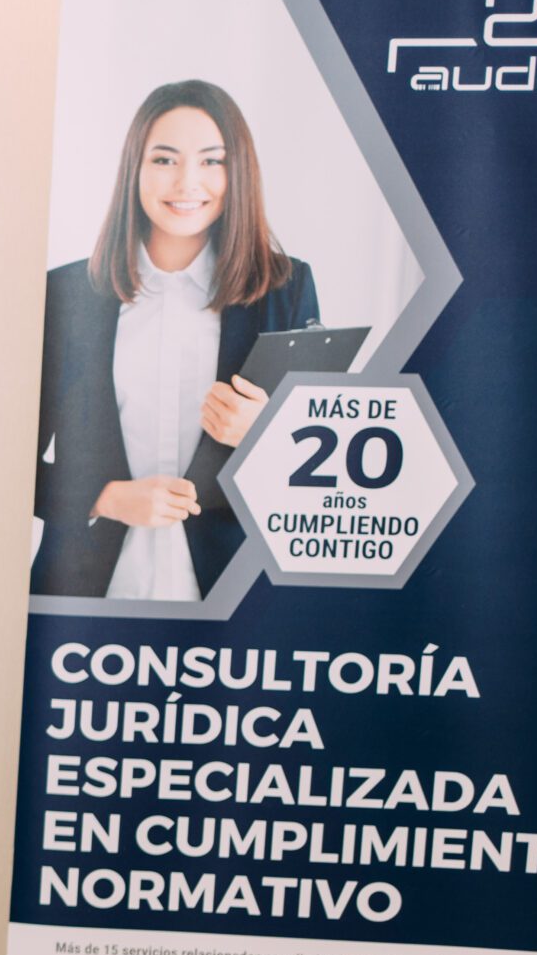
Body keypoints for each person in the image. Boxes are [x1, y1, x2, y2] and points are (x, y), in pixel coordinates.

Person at [30, 80, 321, 601]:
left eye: (213, 161)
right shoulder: (65, 293)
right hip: (84, 598)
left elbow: (326, 470)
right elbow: (5, 461)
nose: (188, 182)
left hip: (235, 601)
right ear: (134, 170)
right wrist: (104, 498)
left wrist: (268, 430)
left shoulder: (285, 289)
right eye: (164, 160)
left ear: (239, 174)